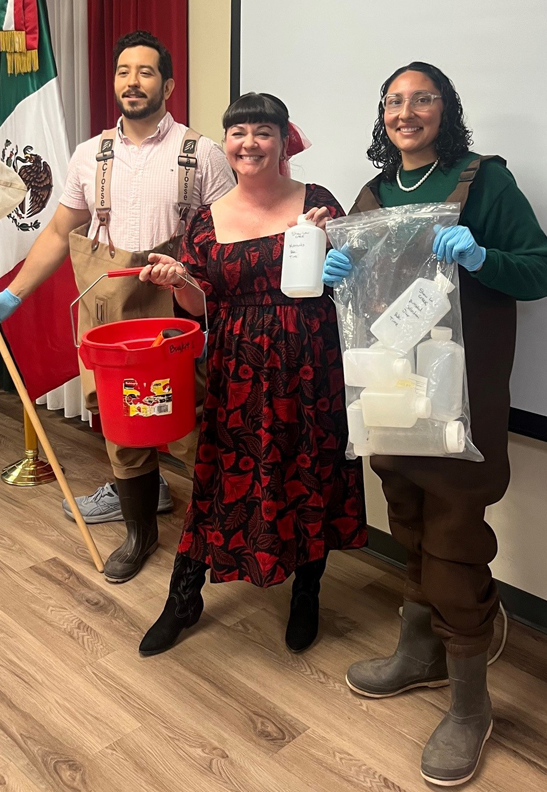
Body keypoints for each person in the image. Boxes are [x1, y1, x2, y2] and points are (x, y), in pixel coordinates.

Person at [323, 62, 547, 786]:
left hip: (460, 407)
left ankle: (470, 706)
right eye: (394, 100)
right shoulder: (373, 195)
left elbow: (542, 271)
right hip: (392, 401)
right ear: (382, 117)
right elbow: (364, 295)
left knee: (456, 541)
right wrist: (338, 270)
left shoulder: (483, 182)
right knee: (410, 523)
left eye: (422, 98)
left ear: (445, 110)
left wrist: (484, 256)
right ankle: (420, 653)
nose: (406, 111)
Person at [0, 31, 234, 584]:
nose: (132, 82)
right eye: (122, 72)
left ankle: (211, 536)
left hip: (178, 312)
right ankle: (140, 533)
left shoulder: (203, 152)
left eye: (145, 72)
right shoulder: (89, 155)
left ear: (168, 84)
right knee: (124, 425)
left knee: (198, 423)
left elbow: (227, 240)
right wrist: (14, 294)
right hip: (112, 316)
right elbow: (59, 230)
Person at [136, 92, 367, 658]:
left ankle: (307, 592)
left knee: (308, 470)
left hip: (312, 363)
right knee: (218, 476)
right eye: (238, 133)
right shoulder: (206, 219)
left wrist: (332, 247)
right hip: (236, 367)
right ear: (227, 143)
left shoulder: (318, 203)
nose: (249, 143)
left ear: (283, 140)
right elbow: (200, 306)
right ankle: (183, 598)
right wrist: (177, 280)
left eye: (262, 131)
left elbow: (352, 281)